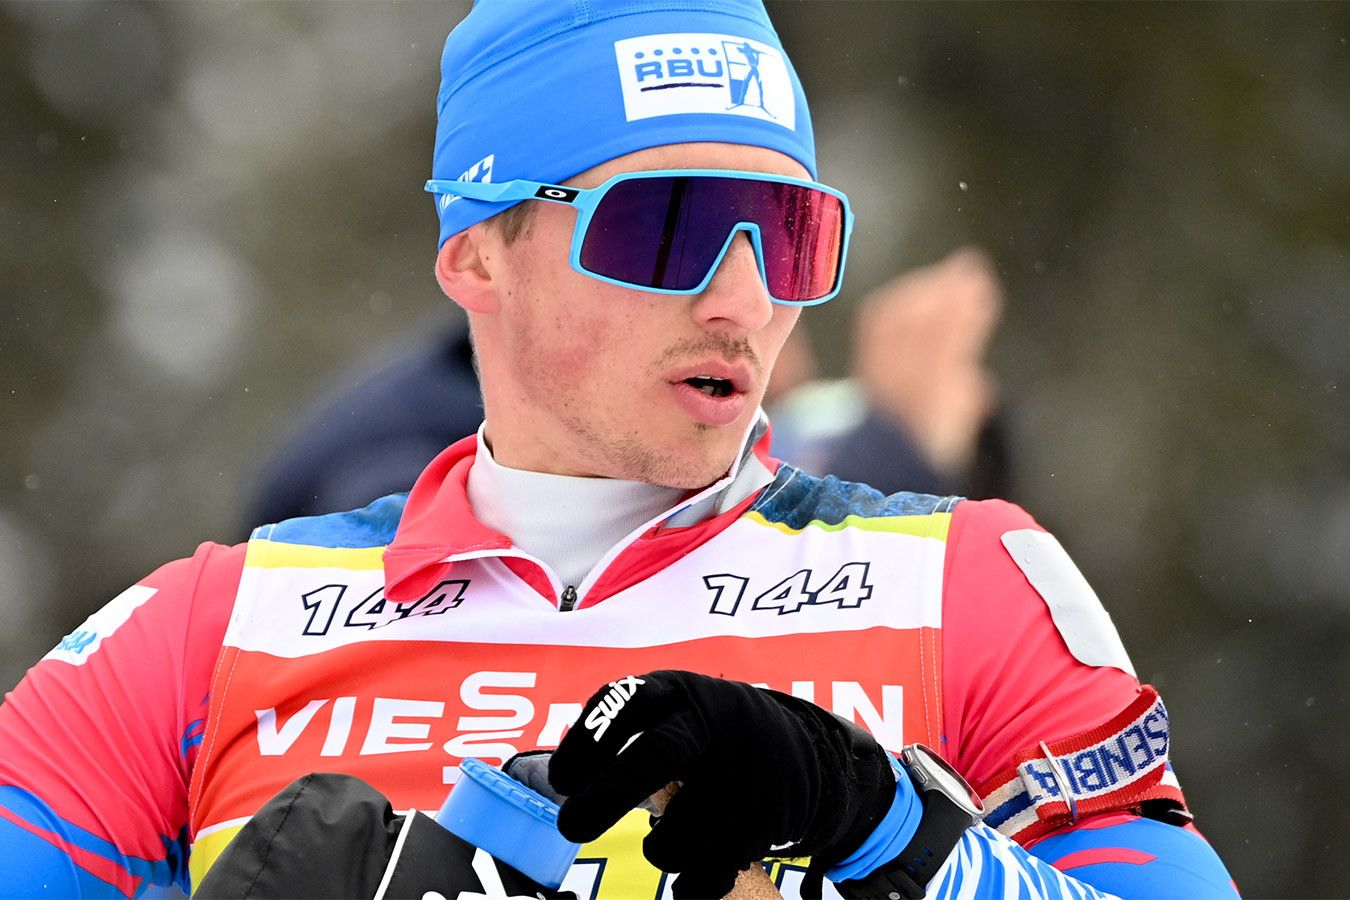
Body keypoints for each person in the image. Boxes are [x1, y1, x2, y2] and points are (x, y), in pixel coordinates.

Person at [0, 1, 1238, 898]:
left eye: (787, 234)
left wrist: (881, 824)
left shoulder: (966, 587)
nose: (743, 300)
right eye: (672, 226)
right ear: (477, 255)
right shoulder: (212, 631)